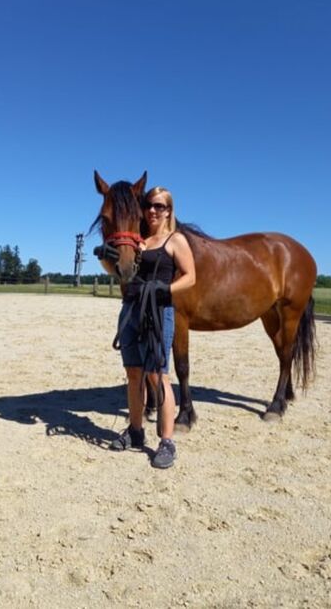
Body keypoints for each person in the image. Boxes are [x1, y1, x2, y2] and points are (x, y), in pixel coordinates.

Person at [110, 186, 196, 469]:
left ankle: (167, 442)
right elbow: (119, 271)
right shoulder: (139, 240)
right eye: (149, 205)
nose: (152, 211)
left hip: (158, 312)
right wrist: (103, 256)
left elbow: (190, 277)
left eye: (159, 206)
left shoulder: (175, 240)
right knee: (133, 374)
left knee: (158, 376)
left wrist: (165, 289)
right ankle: (135, 431)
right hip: (132, 310)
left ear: (169, 210)